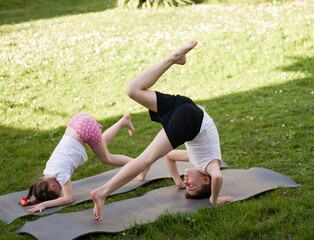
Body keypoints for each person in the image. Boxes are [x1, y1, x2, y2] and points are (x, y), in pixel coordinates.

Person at [91, 40, 234, 221]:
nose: (187, 182)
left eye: (187, 185)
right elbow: (218, 177)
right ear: (206, 180)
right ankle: (103, 192)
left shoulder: (197, 161)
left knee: (133, 90)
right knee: (146, 158)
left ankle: (174, 58)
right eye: (192, 186)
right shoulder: (211, 165)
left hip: (187, 108)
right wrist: (214, 199)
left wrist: (177, 180)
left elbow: (170, 155)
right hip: (191, 120)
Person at [21, 113, 135, 213]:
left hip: (85, 128)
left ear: (53, 186)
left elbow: (68, 199)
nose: (61, 190)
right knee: (101, 147)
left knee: (106, 158)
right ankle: (123, 121)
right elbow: (41, 186)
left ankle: (139, 164)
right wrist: (35, 197)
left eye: (58, 190)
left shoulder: (61, 174)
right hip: (76, 122)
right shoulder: (49, 169)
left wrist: (44, 204)